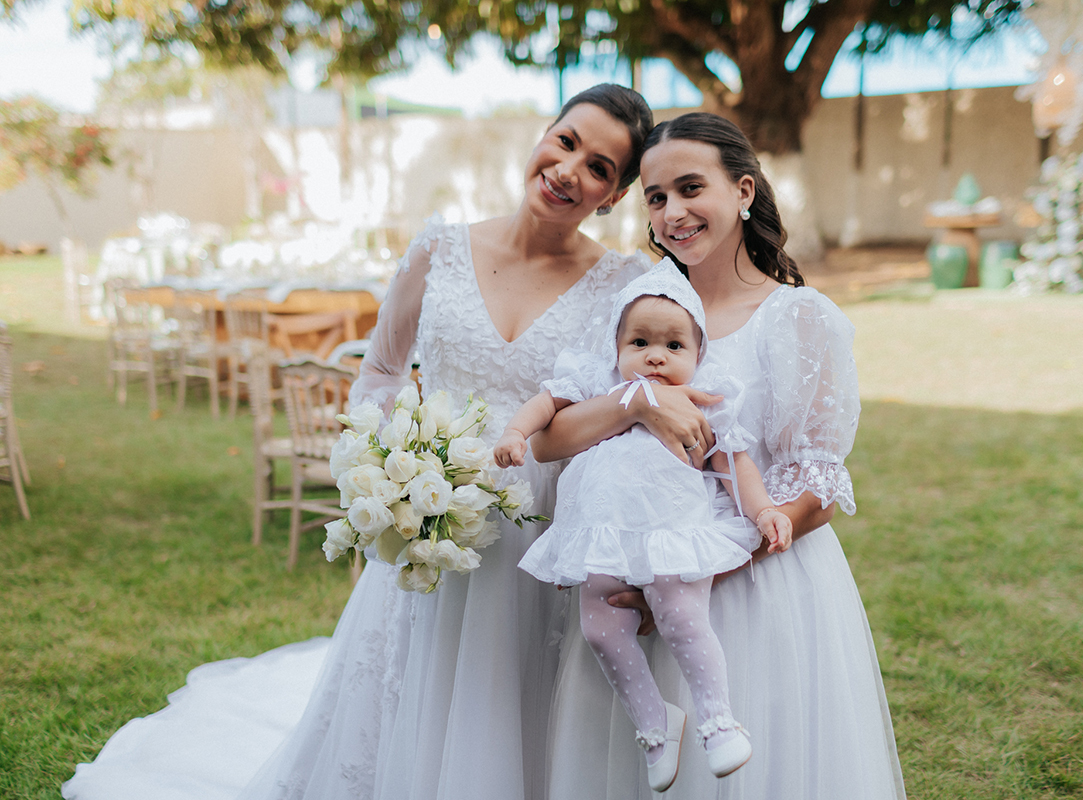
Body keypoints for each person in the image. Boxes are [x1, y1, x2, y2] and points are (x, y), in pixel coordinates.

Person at [61, 83, 654, 800]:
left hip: (542, 539)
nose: (568, 170)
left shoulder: (622, 284)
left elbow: (622, 406)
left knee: (518, 704)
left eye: (598, 167)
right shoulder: (439, 249)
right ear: (542, 137)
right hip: (431, 519)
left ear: (615, 196)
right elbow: (378, 369)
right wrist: (389, 465)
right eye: (566, 141)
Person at [534, 113, 907, 799]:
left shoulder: (800, 318)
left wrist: (690, 570)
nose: (672, 213)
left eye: (688, 188)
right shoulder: (635, 309)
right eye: (654, 197)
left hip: (753, 586)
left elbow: (816, 487)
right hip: (632, 569)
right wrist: (637, 403)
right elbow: (552, 436)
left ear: (743, 191)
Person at [495, 261, 793, 792]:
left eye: (674, 345)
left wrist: (765, 509)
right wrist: (518, 432)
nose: (656, 355)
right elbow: (547, 404)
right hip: (603, 535)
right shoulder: (599, 384)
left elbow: (735, 462)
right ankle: (656, 726)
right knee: (600, 629)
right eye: (640, 341)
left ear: (699, 355)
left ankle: (718, 720)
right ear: (616, 348)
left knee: (681, 617)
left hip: (673, 530)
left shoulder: (707, 396)